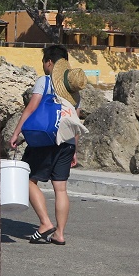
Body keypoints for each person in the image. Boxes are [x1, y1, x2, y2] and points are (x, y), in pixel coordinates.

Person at [8, 44, 88, 246]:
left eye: (44, 62)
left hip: (45, 140)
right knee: (60, 189)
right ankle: (59, 234)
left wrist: (17, 132)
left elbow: (31, 108)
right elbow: (75, 123)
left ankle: (45, 223)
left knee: (27, 178)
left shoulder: (44, 82)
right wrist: (74, 150)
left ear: (50, 63)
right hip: (67, 142)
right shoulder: (73, 89)